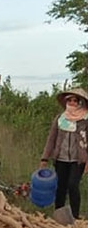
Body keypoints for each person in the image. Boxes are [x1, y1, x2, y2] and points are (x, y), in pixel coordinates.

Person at [40, 87, 88, 219]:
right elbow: (51, 139)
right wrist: (44, 158)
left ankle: (75, 216)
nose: (72, 103)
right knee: (60, 187)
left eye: (75, 100)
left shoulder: (85, 120)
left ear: (80, 102)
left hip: (78, 160)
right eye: (70, 100)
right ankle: (59, 215)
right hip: (60, 159)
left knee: (73, 185)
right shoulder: (60, 119)